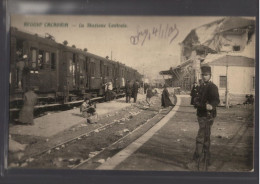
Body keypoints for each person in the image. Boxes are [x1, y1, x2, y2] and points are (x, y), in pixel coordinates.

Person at [190, 64, 220, 171]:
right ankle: (205, 159)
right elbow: (195, 100)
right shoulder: (200, 87)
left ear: (210, 76)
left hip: (208, 115)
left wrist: (212, 105)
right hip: (200, 114)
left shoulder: (213, 87)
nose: (204, 77)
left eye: (206, 75)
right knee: (205, 136)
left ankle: (198, 159)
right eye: (203, 75)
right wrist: (199, 103)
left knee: (202, 136)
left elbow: (216, 100)